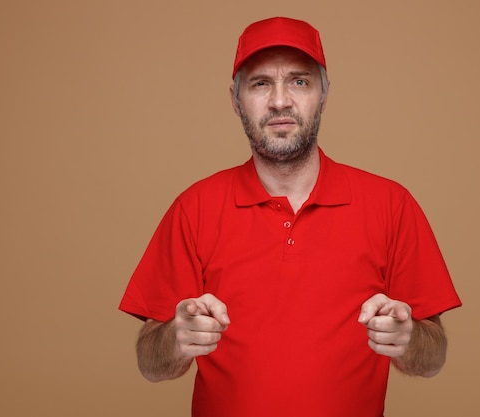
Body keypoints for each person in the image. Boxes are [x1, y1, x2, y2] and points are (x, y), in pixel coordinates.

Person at [119, 16, 461, 417]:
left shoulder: (391, 204)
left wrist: (410, 338)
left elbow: (432, 355)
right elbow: (149, 362)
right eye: (260, 83)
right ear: (235, 99)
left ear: (324, 94)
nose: (280, 100)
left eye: (299, 81)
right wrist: (174, 340)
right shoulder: (194, 208)